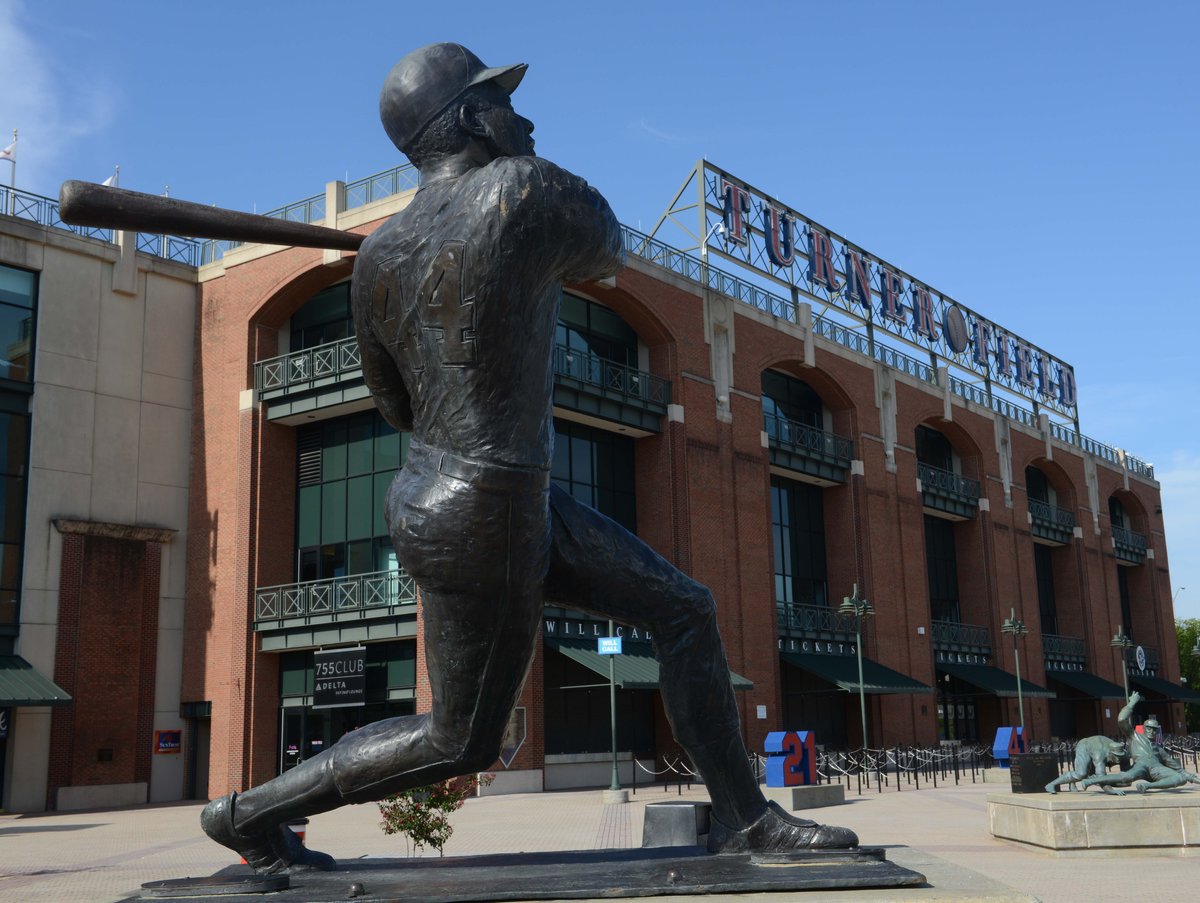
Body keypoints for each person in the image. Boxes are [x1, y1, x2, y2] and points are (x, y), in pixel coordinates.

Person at [201, 43, 858, 873]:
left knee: (684, 610)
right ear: (474, 119)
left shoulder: (378, 259)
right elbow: (608, 250)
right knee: (459, 738)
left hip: (454, 493)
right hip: (493, 501)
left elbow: (397, 404)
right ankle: (248, 812)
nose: (528, 120)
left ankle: (746, 818)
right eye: (504, 104)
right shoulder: (522, 190)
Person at [1079, 691, 1200, 795]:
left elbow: (1179, 770)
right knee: (1127, 777)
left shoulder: (1159, 749)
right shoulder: (1134, 736)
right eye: (1149, 728)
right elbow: (1121, 719)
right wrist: (1132, 703)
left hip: (1156, 769)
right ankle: (1090, 781)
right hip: (1140, 766)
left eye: (1154, 729)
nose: (1151, 731)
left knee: (1180, 778)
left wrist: (1194, 779)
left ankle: (1147, 787)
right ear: (1144, 727)